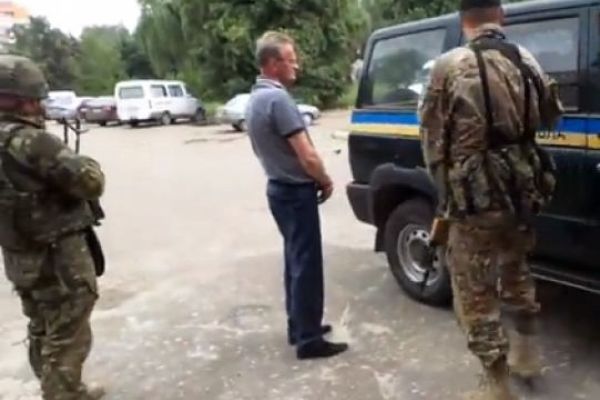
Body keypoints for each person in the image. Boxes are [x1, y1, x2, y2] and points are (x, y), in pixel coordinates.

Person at [419, 0, 563, 399]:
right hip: (522, 187)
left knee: (474, 289)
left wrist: (446, 190)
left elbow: (432, 141)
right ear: (501, 14)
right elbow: (551, 115)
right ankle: (527, 355)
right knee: (516, 267)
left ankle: (497, 383)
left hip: (474, 198)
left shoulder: (448, 66)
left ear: (462, 19)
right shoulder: (526, 59)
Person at [0, 55, 106, 399]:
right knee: (68, 331)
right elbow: (89, 182)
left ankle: (60, 387)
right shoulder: (32, 142)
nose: (39, 106)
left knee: (42, 325)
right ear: (21, 100)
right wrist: (89, 164)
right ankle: (62, 393)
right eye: (35, 99)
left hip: (18, 253)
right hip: (57, 255)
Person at [245, 31, 349, 360]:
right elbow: (307, 155)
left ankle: (300, 326)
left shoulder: (255, 99)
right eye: (290, 60)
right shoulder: (278, 101)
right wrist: (325, 179)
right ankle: (309, 339)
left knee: (295, 260)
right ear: (273, 64)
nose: (297, 66)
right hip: (295, 191)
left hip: (277, 188)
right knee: (307, 264)